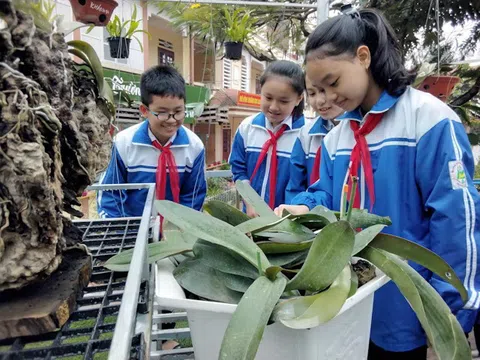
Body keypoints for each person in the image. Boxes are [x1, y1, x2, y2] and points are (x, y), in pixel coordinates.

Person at [274, 7, 480, 359]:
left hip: (405, 301)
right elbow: (329, 194)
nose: (328, 97)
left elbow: (457, 221)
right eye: (318, 89)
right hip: (348, 300)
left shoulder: (428, 121)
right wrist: (305, 207)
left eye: (333, 82)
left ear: (363, 57)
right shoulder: (339, 136)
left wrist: (448, 308)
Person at [97, 65, 207, 218]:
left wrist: (181, 232)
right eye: (162, 113)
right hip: (132, 230)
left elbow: (193, 197)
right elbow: (110, 195)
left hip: (176, 234)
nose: (171, 120)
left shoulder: (194, 147)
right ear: (144, 110)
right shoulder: (124, 143)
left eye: (178, 112)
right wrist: (122, 232)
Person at [228, 60, 305, 216]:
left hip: (290, 224)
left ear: (298, 99)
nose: (274, 107)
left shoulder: (306, 135)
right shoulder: (247, 128)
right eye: (268, 98)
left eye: (283, 101)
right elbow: (238, 169)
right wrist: (250, 202)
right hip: (251, 218)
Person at [285, 75, 344, 203]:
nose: (319, 101)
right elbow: (295, 186)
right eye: (312, 93)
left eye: (324, 91)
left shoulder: (359, 132)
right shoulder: (306, 135)